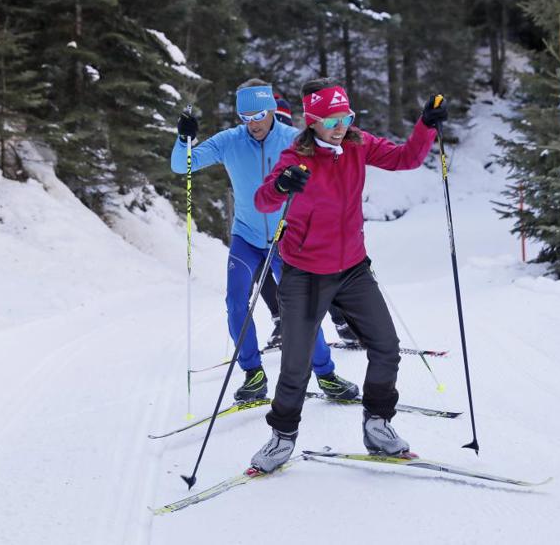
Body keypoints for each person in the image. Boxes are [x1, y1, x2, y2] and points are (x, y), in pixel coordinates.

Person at [249, 77, 447, 472]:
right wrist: (282, 185)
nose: (341, 125)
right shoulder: (296, 158)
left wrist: (426, 125)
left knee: (386, 347)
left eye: (346, 115)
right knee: (295, 364)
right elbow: (263, 199)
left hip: (353, 268)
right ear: (311, 120)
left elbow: (405, 158)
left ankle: (377, 425)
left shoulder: (358, 143)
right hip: (304, 273)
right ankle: (282, 438)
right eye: (331, 118)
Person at [170, 79, 359, 402]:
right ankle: (253, 373)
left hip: (288, 238)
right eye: (244, 117)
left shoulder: (293, 140)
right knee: (235, 302)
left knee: (302, 309)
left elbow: (334, 163)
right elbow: (181, 164)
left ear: (271, 109)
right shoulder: (229, 141)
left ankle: (326, 375)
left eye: (258, 114)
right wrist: (183, 138)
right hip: (246, 236)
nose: (252, 123)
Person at [263, 94, 361, 348]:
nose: (277, 126)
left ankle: (341, 322)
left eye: (282, 120)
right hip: (266, 222)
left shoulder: (298, 143)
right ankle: (280, 323)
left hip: (295, 227)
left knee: (322, 276)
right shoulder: (249, 140)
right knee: (267, 279)